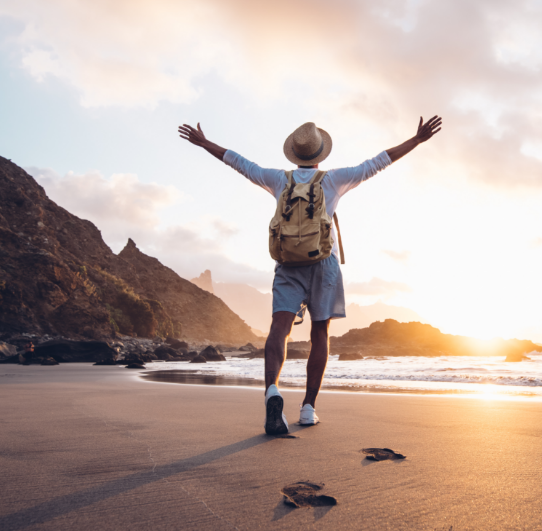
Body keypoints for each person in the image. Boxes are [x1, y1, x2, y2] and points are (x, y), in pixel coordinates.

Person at [178, 115, 442, 434]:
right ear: (319, 155)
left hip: (288, 264)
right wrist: (415, 140)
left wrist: (205, 143)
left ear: (295, 154)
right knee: (320, 333)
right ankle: (307, 408)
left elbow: (239, 162)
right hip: (323, 264)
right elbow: (378, 162)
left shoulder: (277, 179)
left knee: (280, 327)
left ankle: (273, 391)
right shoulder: (334, 180)